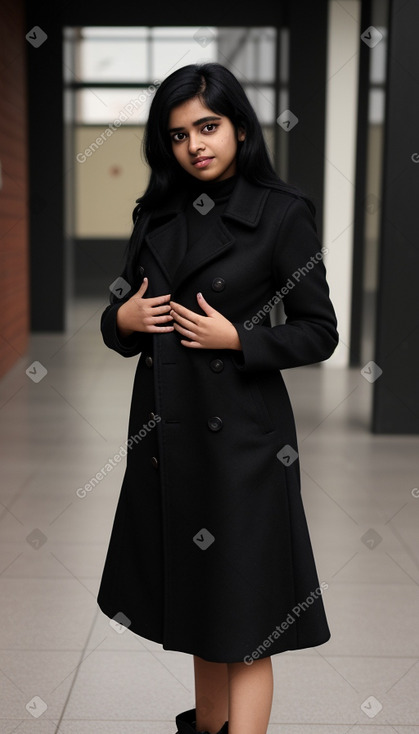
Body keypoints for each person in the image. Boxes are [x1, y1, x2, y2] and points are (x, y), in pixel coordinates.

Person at [97, 62, 339, 734]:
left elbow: (320, 332)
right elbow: (121, 307)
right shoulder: (155, 212)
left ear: (238, 126)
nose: (195, 144)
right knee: (200, 610)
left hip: (244, 449)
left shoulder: (281, 213)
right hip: (166, 441)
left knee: (249, 622)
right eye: (177, 135)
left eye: (208, 126)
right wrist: (122, 322)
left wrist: (240, 337)